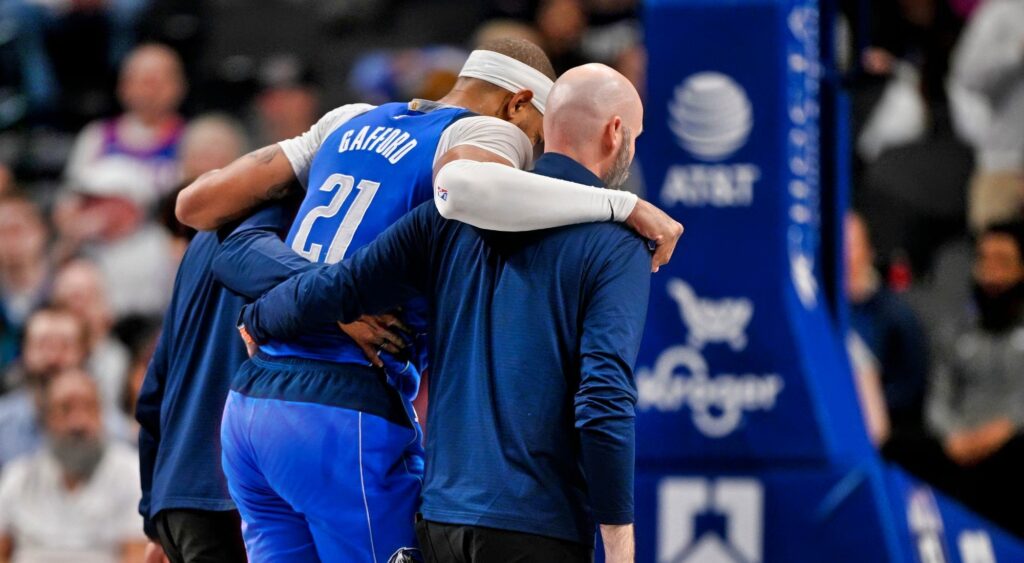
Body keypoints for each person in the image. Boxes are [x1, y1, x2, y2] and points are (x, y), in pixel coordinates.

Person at [239, 63, 652, 563]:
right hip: (537, 526)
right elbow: (604, 398)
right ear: (615, 132)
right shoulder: (616, 242)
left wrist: (260, 317)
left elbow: (339, 285)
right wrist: (621, 548)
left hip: (442, 521)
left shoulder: (448, 218)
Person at [885, 221, 1024, 538]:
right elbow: (938, 398)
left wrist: (999, 432)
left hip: (1010, 444)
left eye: (1002, 262)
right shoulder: (955, 332)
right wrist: (954, 437)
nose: (991, 274)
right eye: (984, 260)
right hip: (960, 444)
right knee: (900, 447)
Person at [0, 368, 146, 562]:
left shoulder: (132, 474)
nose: (78, 422)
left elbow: (137, 555)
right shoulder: (18, 477)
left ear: (102, 414)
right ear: (46, 418)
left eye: (88, 407)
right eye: (65, 409)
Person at [54, 158, 176, 321]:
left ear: (127, 205)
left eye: (98, 199)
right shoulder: (81, 245)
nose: (87, 207)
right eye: (87, 200)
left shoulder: (161, 246)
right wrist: (70, 241)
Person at [64, 44, 187, 202]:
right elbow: (70, 203)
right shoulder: (97, 135)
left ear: (179, 86)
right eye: (145, 82)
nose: (151, 92)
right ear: (123, 86)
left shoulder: (194, 139)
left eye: (159, 82)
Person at [846, 211, 929, 432]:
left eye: (851, 246)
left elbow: (909, 387)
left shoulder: (896, 316)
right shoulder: (817, 311)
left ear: (869, 251)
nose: (843, 255)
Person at [950, 0, 1024, 231]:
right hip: (1005, 166)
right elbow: (967, 75)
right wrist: (1017, 51)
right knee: (991, 256)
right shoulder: (1001, 10)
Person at [0, 308, 88, 467]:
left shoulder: (110, 429)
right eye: (43, 345)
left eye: (64, 346)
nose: (53, 358)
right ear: (23, 353)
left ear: (83, 354)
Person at [50, 259, 131, 416]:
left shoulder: (125, 364)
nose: (78, 308)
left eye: (86, 298)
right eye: (69, 299)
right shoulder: (46, 363)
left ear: (106, 306)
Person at [0, 196, 51, 375]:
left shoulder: (63, 289)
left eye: (16, 230)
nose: (9, 241)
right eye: (2, 232)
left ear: (40, 232)